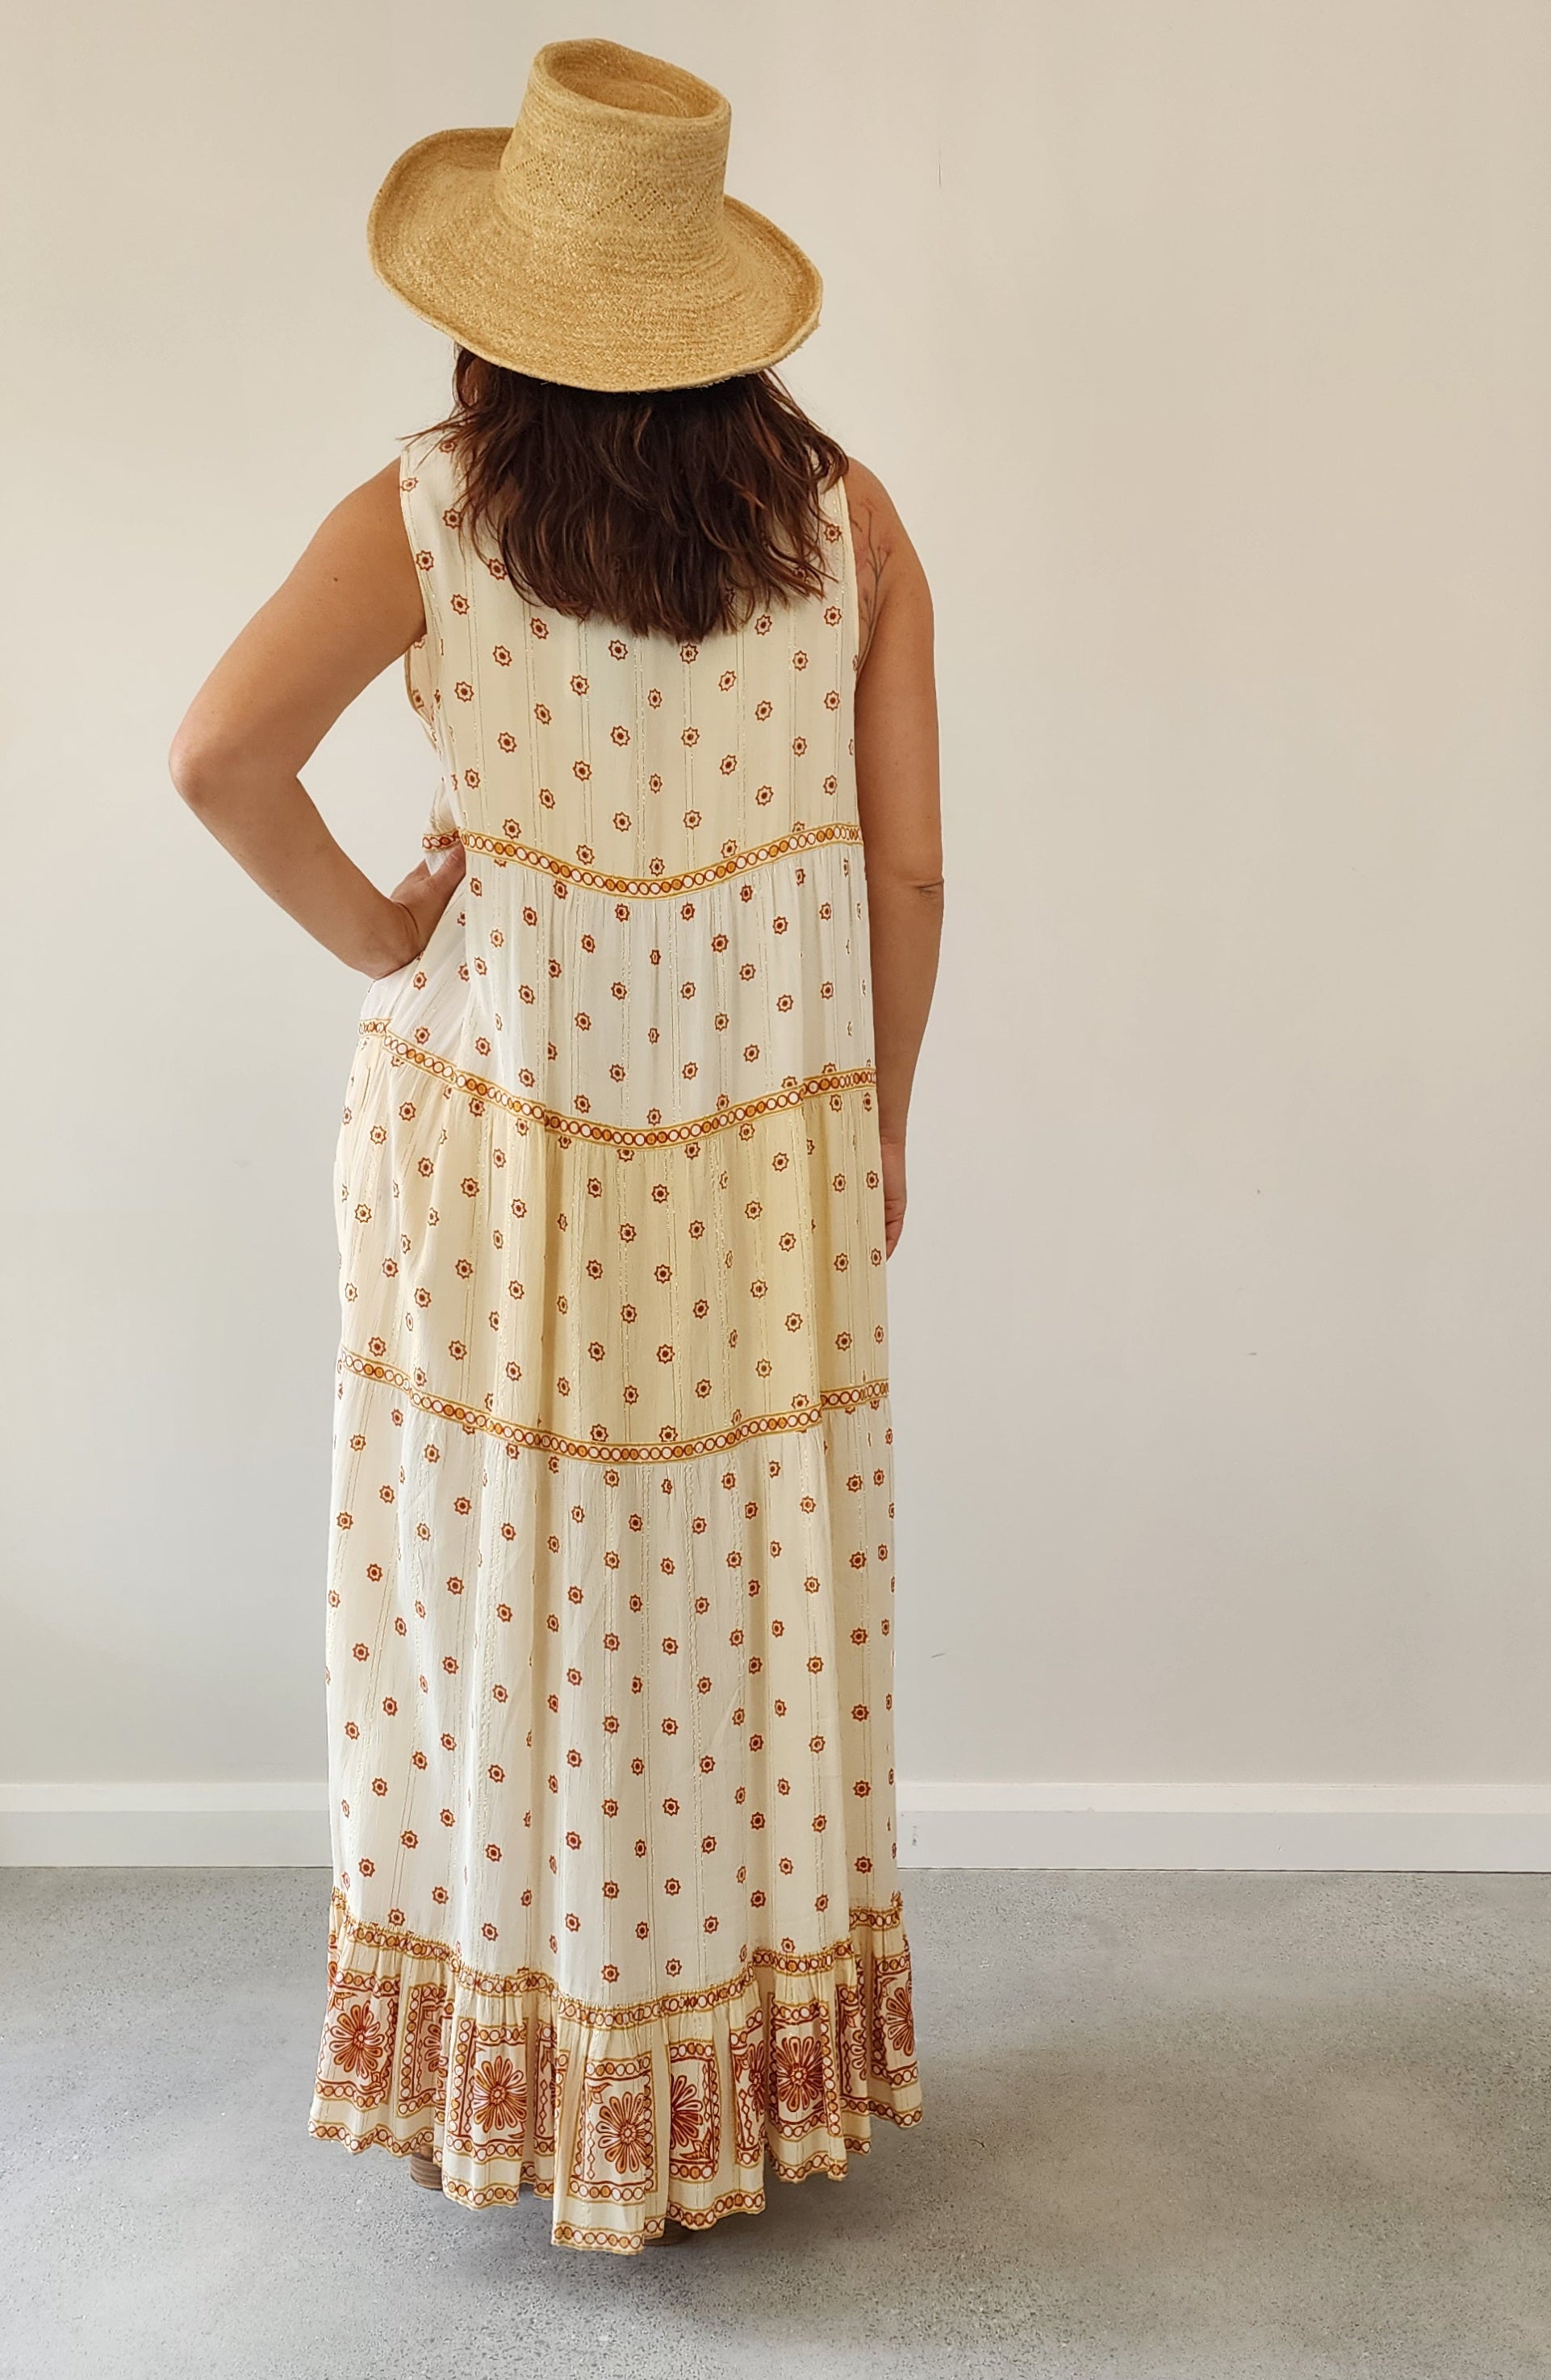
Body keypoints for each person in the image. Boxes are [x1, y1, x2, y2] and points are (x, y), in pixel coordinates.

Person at [169, 35, 942, 2255]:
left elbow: (223, 755)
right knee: (740, 1596)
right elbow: (907, 878)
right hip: (755, 1161)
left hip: (498, 1153)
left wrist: (379, 936)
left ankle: (536, 2081)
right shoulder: (849, 518)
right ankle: (720, 2092)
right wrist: (869, 1125)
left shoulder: (423, 513)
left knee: (505, 1590)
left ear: (501, 302)